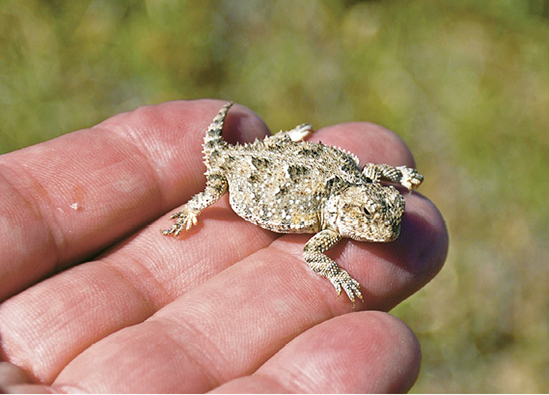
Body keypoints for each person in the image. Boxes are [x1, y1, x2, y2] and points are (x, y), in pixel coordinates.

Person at [0, 100, 448, 393]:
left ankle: (275, 147)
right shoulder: (331, 227)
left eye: (388, 214)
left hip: (302, 168)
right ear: (353, 216)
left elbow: (370, 176)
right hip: (248, 172)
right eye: (372, 220)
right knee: (220, 182)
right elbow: (314, 254)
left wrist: (397, 177)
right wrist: (196, 211)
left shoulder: (355, 191)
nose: (386, 228)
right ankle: (218, 189)